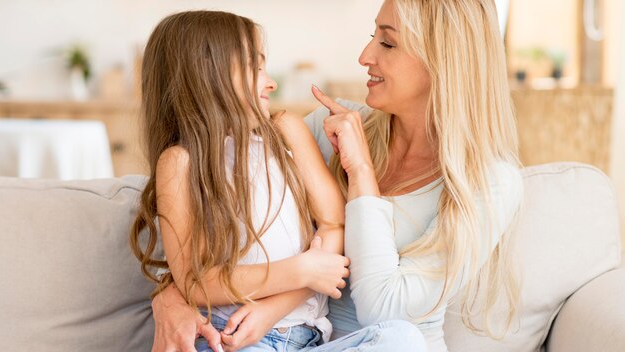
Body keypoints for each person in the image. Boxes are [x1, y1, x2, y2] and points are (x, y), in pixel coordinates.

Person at [150, 0, 523, 351]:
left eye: (388, 43)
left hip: (380, 345)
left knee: (401, 341)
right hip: (270, 338)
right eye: (373, 36)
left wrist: (361, 173)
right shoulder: (330, 128)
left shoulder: (489, 182)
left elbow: (384, 310)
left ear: (443, 60)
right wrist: (170, 297)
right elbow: (213, 230)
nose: (365, 56)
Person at [130, 10, 424, 352]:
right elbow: (197, 281)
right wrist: (300, 271)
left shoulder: (287, 131)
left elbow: (335, 225)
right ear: (208, 75)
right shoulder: (179, 163)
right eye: (255, 68)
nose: (270, 82)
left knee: (401, 339)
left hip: (307, 339)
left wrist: (273, 307)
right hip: (230, 338)